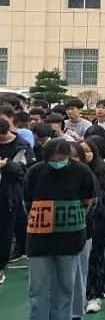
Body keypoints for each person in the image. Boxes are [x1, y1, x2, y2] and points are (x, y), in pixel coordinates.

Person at [25, 138, 96, 320]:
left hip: (70, 239)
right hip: (39, 240)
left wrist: (77, 220)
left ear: (69, 156)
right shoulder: (35, 172)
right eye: (53, 159)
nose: (57, 162)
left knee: (65, 288)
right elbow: (27, 202)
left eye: (62, 158)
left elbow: (91, 201)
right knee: (37, 289)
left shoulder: (82, 171)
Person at [74, 139, 105, 315]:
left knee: (95, 259)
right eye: (81, 152)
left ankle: (94, 295)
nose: (85, 154)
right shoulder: (73, 173)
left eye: (88, 150)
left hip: (100, 224)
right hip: (77, 226)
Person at [0, 117, 31, 285]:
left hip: (10, 194)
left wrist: (6, 165)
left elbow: (24, 172)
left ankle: (1, 265)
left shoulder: (22, 146)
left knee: (5, 230)